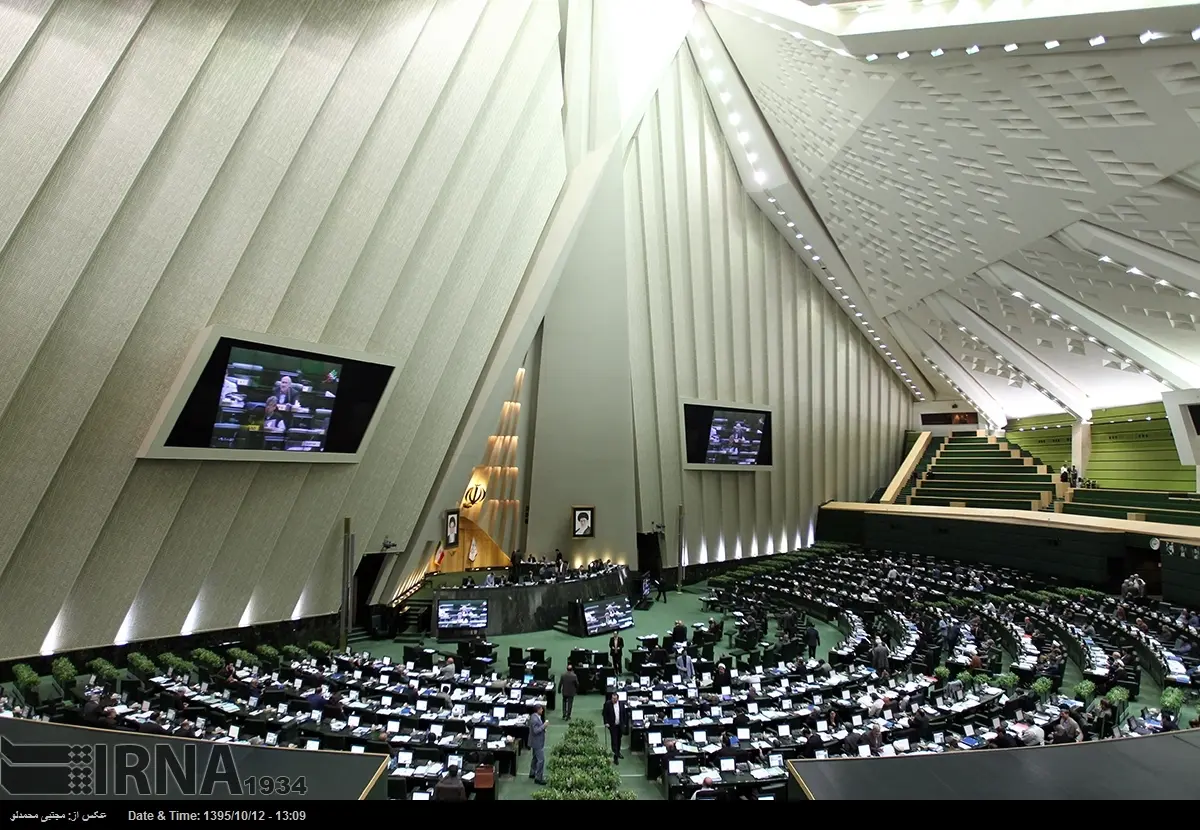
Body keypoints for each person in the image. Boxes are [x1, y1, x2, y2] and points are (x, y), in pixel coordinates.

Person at [601, 693, 623, 764]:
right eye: (612, 698)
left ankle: (618, 752)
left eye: (615, 699)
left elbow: (623, 714)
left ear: (617, 699)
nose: (613, 700)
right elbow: (604, 714)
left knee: (619, 739)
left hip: (620, 725)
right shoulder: (607, 704)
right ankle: (615, 756)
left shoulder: (621, 704)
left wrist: (624, 723)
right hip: (612, 725)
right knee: (614, 740)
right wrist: (606, 722)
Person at [528, 705, 547, 784]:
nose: (542, 711)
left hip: (535, 741)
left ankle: (532, 772)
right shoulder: (535, 719)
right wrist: (544, 726)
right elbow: (536, 731)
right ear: (538, 710)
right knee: (541, 760)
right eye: (541, 709)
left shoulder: (534, 716)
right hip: (537, 742)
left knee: (535, 758)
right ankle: (538, 778)